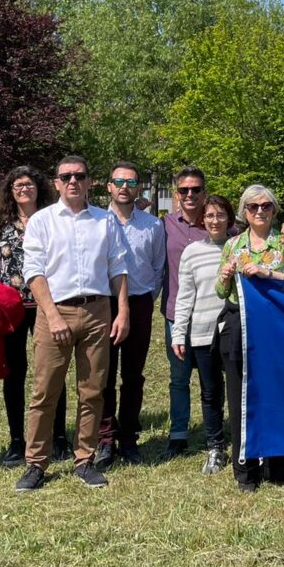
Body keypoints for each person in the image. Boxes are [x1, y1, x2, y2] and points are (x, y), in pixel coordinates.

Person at [15, 156, 130, 491]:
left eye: (79, 176)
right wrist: (51, 316)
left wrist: (122, 311)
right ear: (56, 182)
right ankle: (36, 463)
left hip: (97, 312)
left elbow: (117, 268)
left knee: (92, 391)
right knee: (45, 391)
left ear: (89, 181)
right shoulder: (42, 221)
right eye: (66, 176)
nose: (73, 181)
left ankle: (85, 460)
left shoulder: (105, 221)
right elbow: (34, 272)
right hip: (55, 313)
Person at [215, 184, 284, 492]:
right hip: (240, 327)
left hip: (279, 329)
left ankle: (280, 465)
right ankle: (246, 470)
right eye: (253, 207)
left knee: (279, 395)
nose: (260, 211)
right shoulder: (233, 245)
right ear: (244, 211)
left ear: (275, 210)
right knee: (242, 398)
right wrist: (226, 276)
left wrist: (269, 274)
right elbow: (220, 291)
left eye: (266, 206)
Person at [0, 165, 73, 467]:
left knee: (52, 371)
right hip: (11, 308)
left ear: (39, 188)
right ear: (10, 190)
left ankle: (58, 437)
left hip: (48, 305)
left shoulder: (51, 220)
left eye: (30, 184)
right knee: (15, 373)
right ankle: (17, 441)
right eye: (18, 184)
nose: (24, 188)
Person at [95, 162, 167, 471]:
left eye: (131, 182)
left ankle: (129, 438)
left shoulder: (152, 225)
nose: (124, 186)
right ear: (108, 187)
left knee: (133, 375)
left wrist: (146, 300)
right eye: (118, 181)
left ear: (139, 188)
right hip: (104, 305)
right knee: (104, 375)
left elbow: (159, 266)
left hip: (139, 305)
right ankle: (105, 438)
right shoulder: (95, 222)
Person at [171, 194, 234, 476]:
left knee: (238, 388)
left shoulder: (239, 247)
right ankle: (215, 445)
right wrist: (178, 333)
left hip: (235, 330)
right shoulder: (192, 251)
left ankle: (244, 439)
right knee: (210, 392)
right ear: (202, 219)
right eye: (209, 215)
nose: (215, 220)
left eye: (220, 215)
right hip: (202, 331)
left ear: (229, 218)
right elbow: (185, 296)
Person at [159, 166, 211, 460]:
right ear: (177, 194)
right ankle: (178, 433)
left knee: (209, 376)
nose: (190, 195)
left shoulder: (220, 224)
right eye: (184, 190)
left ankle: (211, 430)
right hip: (175, 315)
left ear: (204, 191)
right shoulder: (164, 226)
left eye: (196, 189)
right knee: (179, 377)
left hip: (209, 315)